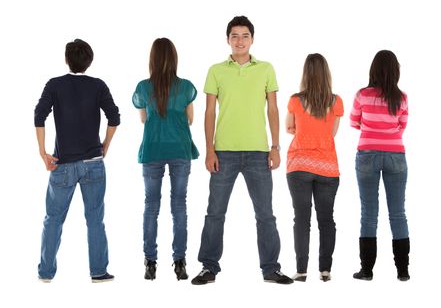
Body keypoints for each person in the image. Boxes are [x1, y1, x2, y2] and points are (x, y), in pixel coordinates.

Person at [191, 16, 293, 285]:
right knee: (215, 212)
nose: (239, 40)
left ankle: (271, 268)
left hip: (259, 153)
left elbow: (273, 108)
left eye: (244, 35)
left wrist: (275, 146)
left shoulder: (266, 69)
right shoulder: (216, 70)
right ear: (228, 39)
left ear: (252, 39)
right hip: (223, 152)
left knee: (265, 213)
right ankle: (208, 267)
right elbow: (209, 111)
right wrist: (209, 149)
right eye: (234, 35)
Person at [34, 39, 120, 283]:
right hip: (94, 163)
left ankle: (46, 273)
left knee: (53, 219)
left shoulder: (54, 84)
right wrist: (106, 145)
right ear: (89, 62)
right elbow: (114, 117)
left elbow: (39, 116)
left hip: (62, 164)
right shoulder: (98, 85)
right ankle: (99, 272)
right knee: (95, 219)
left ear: (66, 59)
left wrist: (43, 153)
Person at [132, 38, 199, 281]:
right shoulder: (186, 87)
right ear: (174, 59)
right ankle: (179, 261)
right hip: (180, 150)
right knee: (179, 206)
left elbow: (143, 119)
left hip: (153, 150)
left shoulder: (142, 88)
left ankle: (150, 262)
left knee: (151, 206)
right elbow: (190, 119)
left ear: (152, 59)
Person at [350, 50, 410, 281]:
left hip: (367, 154)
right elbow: (402, 125)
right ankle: (402, 271)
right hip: (396, 155)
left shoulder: (362, 95)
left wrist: (372, 130)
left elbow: (355, 122)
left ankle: (366, 270)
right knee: (398, 213)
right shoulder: (402, 98)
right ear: (396, 70)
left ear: (373, 69)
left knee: (369, 214)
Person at [285, 54, 343, 282]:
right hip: (328, 167)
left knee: (301, 218)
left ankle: (301, 270)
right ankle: (325, 270)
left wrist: (302, 130)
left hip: (299, 165)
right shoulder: (336, 101)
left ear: (305, 74)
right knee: (326, 219)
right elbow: (332, 133)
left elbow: (290, 126)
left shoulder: (295, 101)